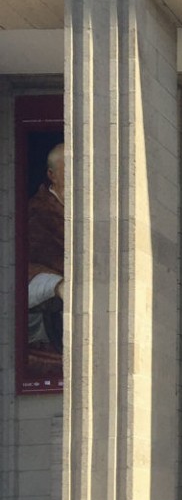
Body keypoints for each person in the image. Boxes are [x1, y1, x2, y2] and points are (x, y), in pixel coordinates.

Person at [27, 142, 65, 353]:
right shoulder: (36, 213)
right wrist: (57, 286)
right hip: (46, 328)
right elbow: (25, 270)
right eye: (69, 168)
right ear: (52, 175)